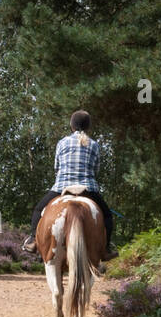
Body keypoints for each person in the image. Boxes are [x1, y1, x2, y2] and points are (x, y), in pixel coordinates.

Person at [22, 110, 117, 260]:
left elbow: (56, 167)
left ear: (72, 126)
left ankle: (33, 241)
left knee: (38, 210)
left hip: (62, 187)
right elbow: (96, 169)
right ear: (88, 127)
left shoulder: (62, 142)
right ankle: (106, 248)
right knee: (106, 215)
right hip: (88, 188)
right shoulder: (94, 145)